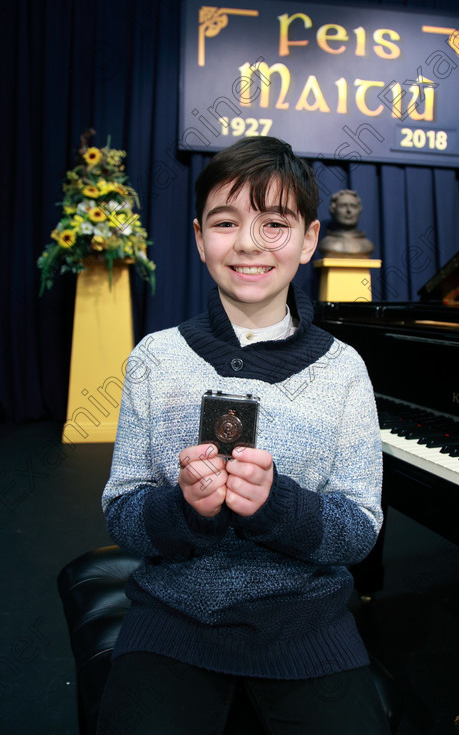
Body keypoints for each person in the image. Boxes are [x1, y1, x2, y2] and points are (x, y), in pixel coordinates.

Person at [96, 136, 388, 734]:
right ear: (200, 237)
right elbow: (121, 513)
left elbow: (360, 530)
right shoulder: (155, 358)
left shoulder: (344, 368)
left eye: (275, 223)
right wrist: (185, 509)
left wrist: (276, 507)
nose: (250, 243)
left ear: (309, 240)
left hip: (308, 624)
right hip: (173, 619)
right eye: (226, 222)